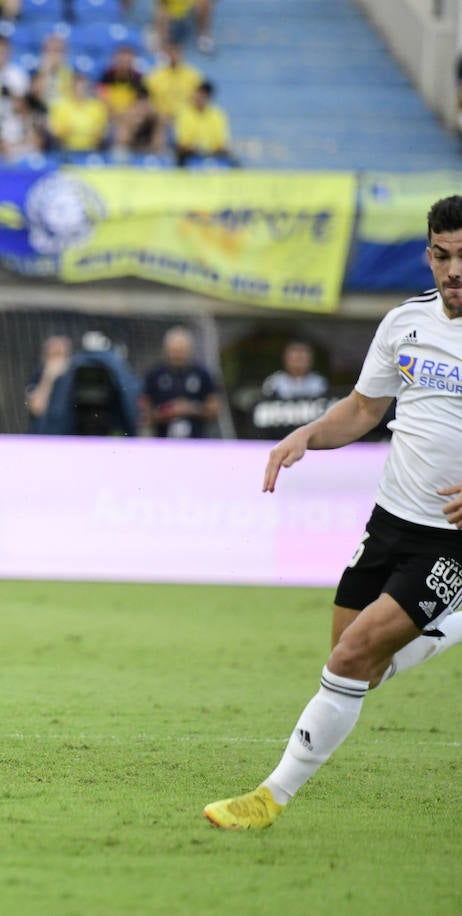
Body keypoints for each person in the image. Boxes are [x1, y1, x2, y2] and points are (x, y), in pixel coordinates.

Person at [203, 195, 462, 829]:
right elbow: (365, 408)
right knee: (355, 666)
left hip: (451, 539)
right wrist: (307, 436)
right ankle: (451, 624)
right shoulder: (405, 323)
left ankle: (269, 798)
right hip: (390, 522)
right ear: (428, 255)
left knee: (349, 661)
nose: (454, 271)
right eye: (442, 256)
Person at [139, 325, 221, 438]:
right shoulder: (154, 374)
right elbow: (144, 415)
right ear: (166, 349)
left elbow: (214, 411)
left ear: (189, 350)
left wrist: (191, 408)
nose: (177, 355)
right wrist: (167, 411)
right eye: (174, 351)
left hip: (197, 443)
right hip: (162, 443)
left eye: (181, 351)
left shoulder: (202, 374)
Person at [24, 334, 72, 431]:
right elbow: (36, 408)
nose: (57, 361)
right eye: (52, 355)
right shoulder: (38, 378)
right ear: (45, 357)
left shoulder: (73, 378)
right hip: (43, 438)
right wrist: (48, 378)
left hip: (68, 438)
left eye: (59, 354)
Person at [262, 339, 328, 401]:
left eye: (302, 359)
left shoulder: (319, 382)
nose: (298, 363)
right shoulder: (274, 382)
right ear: (285, 359)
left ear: (311, 360)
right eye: (295, 359)